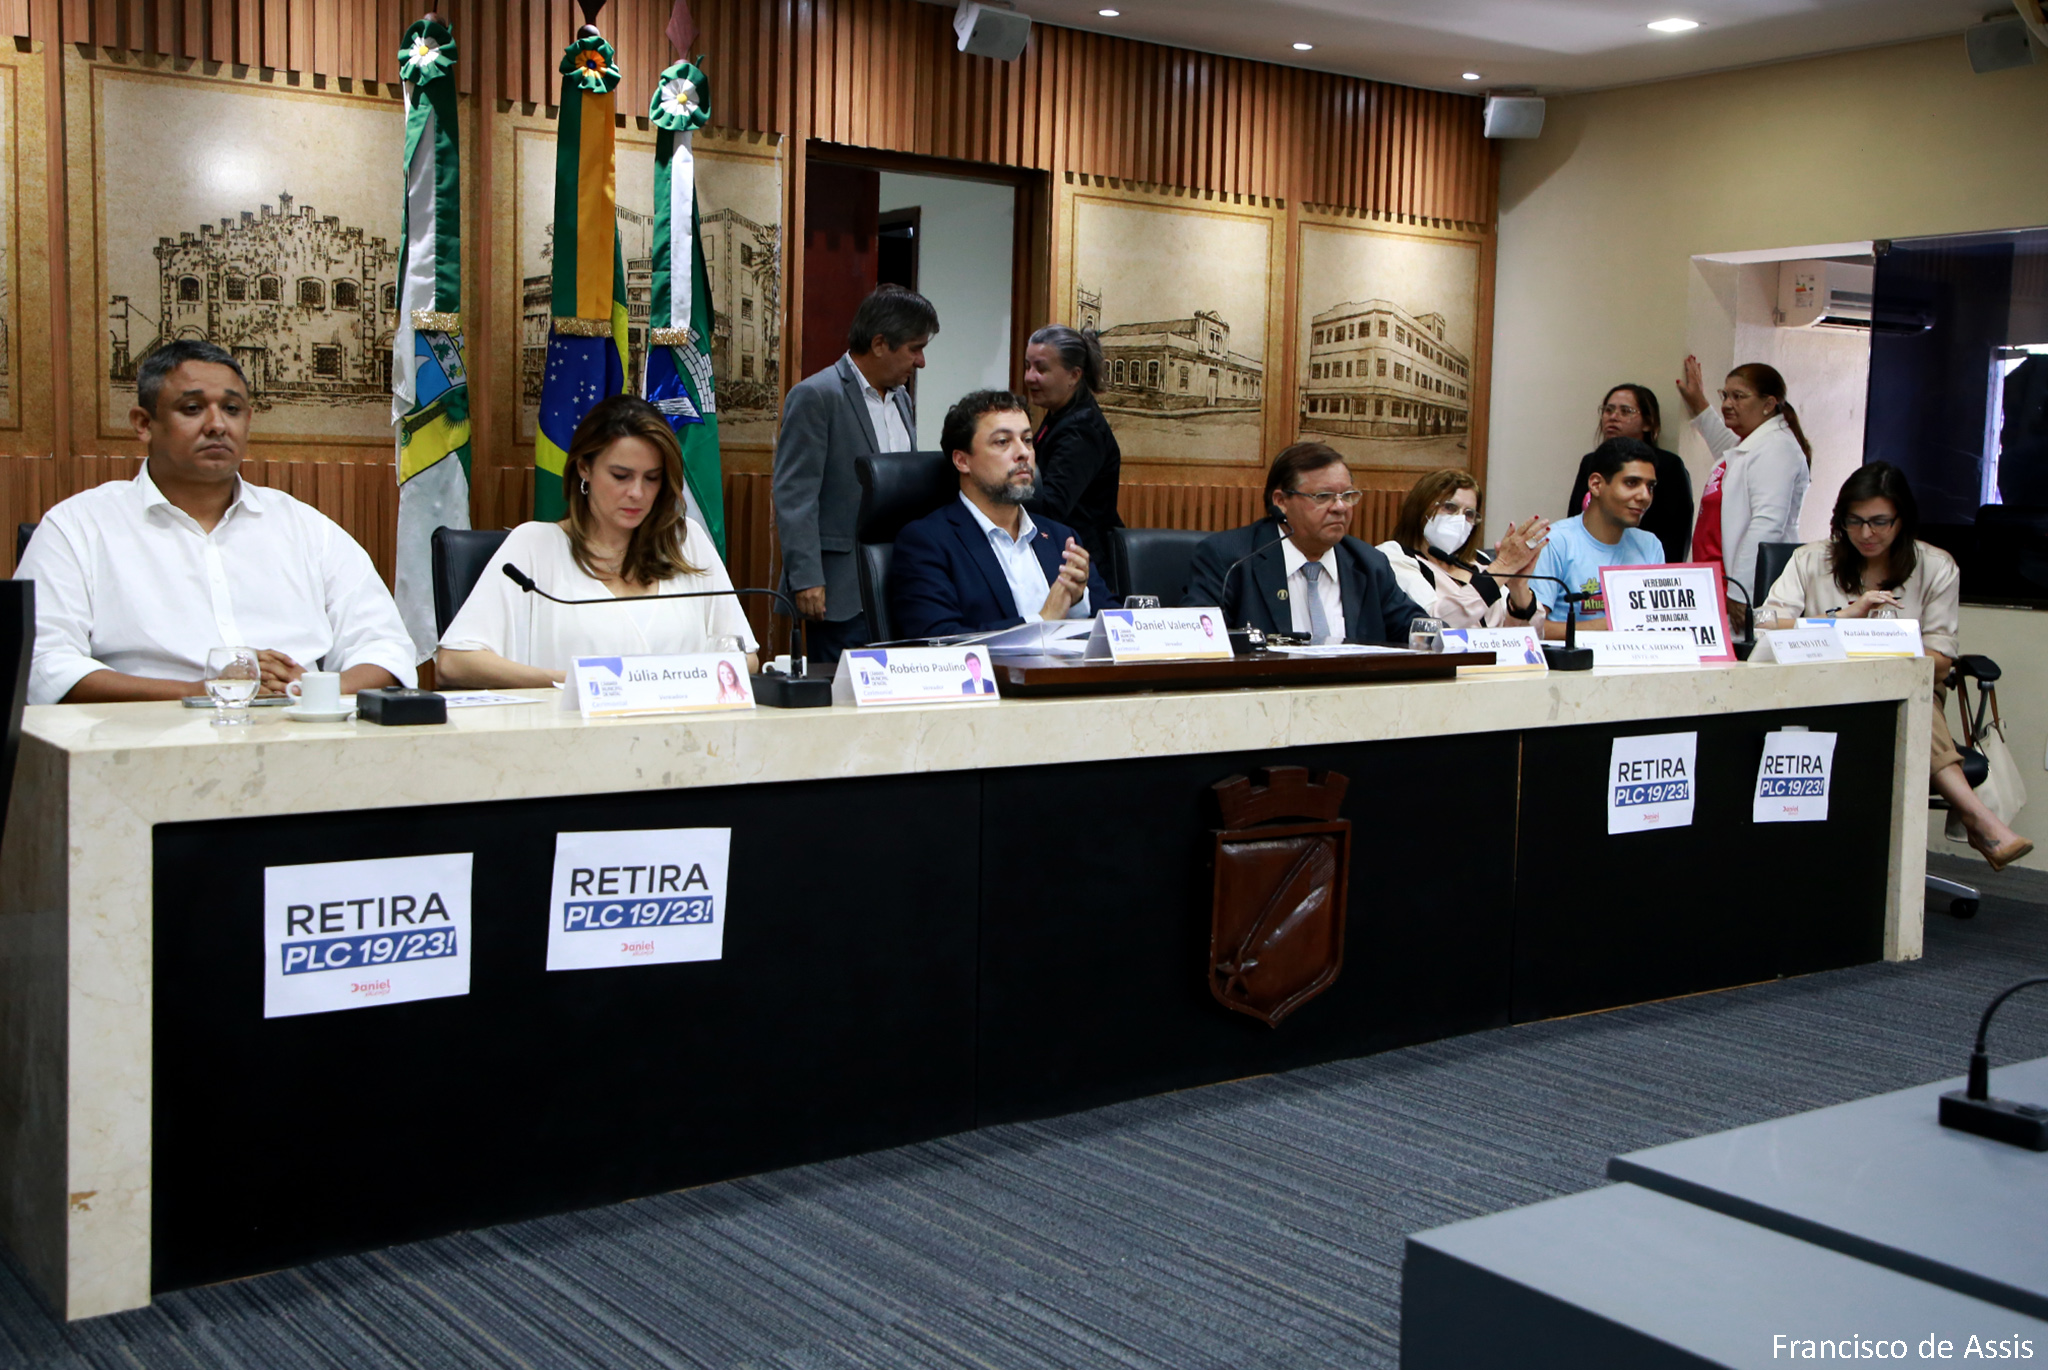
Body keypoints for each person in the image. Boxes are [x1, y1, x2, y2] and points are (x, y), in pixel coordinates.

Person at [19, 339, 415, 705]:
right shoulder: (78, 527)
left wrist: (309, 689)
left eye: (232, 409)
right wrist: (202, 692)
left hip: (299, 730)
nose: (217, 425)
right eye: (192, 409)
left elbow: (386, 648)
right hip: (147, 736)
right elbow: (42, 665)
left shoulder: (306, 528)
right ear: (143, 423)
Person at [1759, 462, 2031, 871]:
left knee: (1911, 702)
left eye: (1879, 522)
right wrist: (1840, 621)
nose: (1866, 533)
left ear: (1902, 520)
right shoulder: (1811, 559)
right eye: (1854, 521)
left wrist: (1890, 651)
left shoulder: (1936, 566)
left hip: (1905, 691)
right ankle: (1978, 818)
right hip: (1820, 686)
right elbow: (1764, 622)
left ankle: (1975, 818)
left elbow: (1940, 661)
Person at [437, 396, 758, 686]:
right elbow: (454, 663)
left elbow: (746, 658)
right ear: (584, 468)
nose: (637, 492)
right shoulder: (534, 546)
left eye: (652, 478)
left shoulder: (686, 542)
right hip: (567, 729)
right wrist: (575, 684)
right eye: (621, 476)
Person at [772, 285, 939, 664]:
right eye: (915, 349)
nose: (921, 362)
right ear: (879, 344)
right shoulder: (817, 396)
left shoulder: (902, 399)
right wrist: (807, 578)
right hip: (839, 591)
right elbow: (795, 495)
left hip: (898, 584)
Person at [890, 390, 1115, 639]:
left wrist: (1078, 601)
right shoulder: (928, 543)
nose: (1023, 453)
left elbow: (1117, 626)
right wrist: (1042, 621)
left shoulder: (1062, 538)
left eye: (1027, 440)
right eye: (1002, 442)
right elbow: (937, 639)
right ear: (962, 461)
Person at [1183, 442, 1430, 644]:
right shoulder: (1231, 558)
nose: (1340, 507)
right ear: (1281, 501)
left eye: (1347, 496)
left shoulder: (1368, 563)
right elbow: (1197, 641)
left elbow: (1417, 629)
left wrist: (1441, 635)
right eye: (1323, 496)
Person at [1677, 357, 1811, 615]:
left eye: (1738, 397)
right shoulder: (1752, 445)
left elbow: (1767, 524)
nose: (1727, 404)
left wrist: (1741, 594)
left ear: (1768, 404)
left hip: (1739, 589)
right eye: (1725, 395)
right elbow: (1730, 453)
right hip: (1717, 581)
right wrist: (1700, 405)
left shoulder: (1777, 447)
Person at [1022, 324, 1124, 596]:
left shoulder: (1082, 428)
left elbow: (1052, 506)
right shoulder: (1061, 414)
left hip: (1086, 567)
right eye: (1027, 366)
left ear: (1074, 375)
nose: (1029, 377)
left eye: (1041, 369)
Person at [1379, 468, 1548, 630]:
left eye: (1469, 514)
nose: (1460, 520)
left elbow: (1531, 636)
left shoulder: (1480, 562)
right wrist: (1503, 566)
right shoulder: (1393, 556)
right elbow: (1431, 624)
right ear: (1421, 508)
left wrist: (1518, 589)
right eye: (1450, 507)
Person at [1527, 437, 1665, 636]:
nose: (1644, 496)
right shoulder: (1554, 542)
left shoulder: (1650, 545)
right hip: (1567, 656)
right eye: (1631, 483)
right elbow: (1529, 628)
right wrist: (1611, 627)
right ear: (1596, 484)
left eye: (1650, 487)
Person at [1564, 384, 1695, 562]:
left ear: (1648, 423)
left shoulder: (1668, 465)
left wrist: (1664, 572)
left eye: (1625, 411)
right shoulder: (1591, 461)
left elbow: (1676, 533)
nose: (1613, 417)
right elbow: (1575, 515)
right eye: (1608, 410)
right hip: (1587, 563)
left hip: (1644, 564)